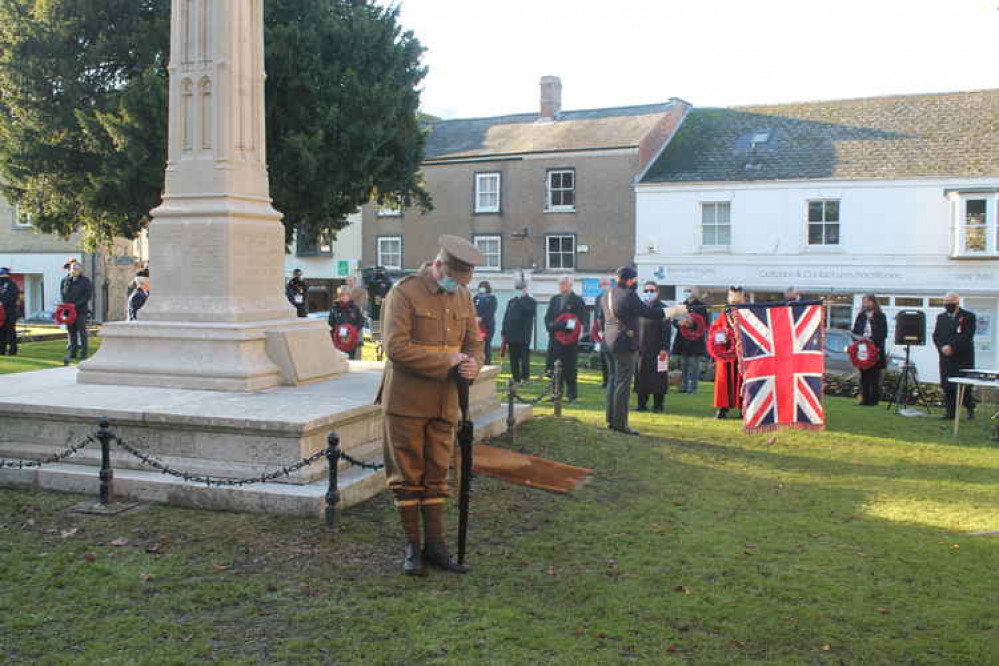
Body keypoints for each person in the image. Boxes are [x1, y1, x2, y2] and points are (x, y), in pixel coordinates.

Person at [378, 235, 484, 576]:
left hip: (445, 400)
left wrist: (473, 364)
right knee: (407, 474)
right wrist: (447, 360)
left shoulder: (463, 294)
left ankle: (436, 547)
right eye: (452, 279)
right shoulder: (404, 293)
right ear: (438, 266)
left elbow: (473, 341)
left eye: (461, 283)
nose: (456, 288)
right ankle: (413, 547)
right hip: (407, 400)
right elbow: (396, 348)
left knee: (438, 473)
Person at [602, 267, 681, 435]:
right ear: (630, 280)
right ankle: (620, 423)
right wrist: (675, 310)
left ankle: (611, 418)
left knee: (613, 380)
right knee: (623, 383)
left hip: (608, 341)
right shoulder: (629, 295)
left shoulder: (607, 294)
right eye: (635, 280)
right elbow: (649, 312)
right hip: (624, 343)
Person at [932, 292, 976, 420]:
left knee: (964, 387)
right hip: (946, 357)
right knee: (948, 386)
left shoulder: (968, 316)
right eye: (945, 302)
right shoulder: (941, 317)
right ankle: (950, 413)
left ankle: (969, 408)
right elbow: (936, 335)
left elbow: (967, 336)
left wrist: (952, 347)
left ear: (957, 302)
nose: (947, 304)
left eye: (950, 301)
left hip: (962, 357)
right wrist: (942, 348)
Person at [544, 276, 587, 403]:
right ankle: (556, 393)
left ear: (570, 285)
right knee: (554, 368)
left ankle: (572, 395)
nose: (561, 286)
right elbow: (547, 319)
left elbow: (576, 321)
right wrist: (552, 327)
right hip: (554, 341)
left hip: (569, 342)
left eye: (563, 283)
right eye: (560, 284)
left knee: (570, 368)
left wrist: (558, 326)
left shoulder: (577, 300)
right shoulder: (554, 300)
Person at [634, 281, 672, 413]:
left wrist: (664, 348)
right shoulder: (640, 308)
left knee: (659, 378)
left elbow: (667, 331)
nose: (649, 293)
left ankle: (658, 405)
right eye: (646, 290)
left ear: (657, 292)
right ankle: (641, 404)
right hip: (642, 350)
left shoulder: (663, 309)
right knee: (641, 377)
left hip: (658, 350)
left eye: (652, 290)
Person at [713, 286, 746, 419]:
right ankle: (722, 408)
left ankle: (743, 409)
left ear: (743, 297)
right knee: (723, 381)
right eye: (732, 295)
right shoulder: (724, 313)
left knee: (742, 381)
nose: (735, 298)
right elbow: (716, 330)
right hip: (726, 353)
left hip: (742, 353)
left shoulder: (748, 312)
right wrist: (722, 337)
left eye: (738, 295)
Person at [851, 293, 888, 406]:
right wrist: (857, 338)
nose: (865, 304)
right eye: (864, 302)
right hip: (862, 349)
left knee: (874, 376)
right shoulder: (861, 316)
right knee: (864, 376)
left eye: (868, 302)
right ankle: (865, 399)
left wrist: (871, 324)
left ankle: (874, 400)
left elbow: (883, 333)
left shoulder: (880, 316)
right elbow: (855, 330)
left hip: (875, 349)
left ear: (873, 302)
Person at [672, 289, 708, 394]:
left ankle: (693, 388)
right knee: (683, 365)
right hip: (683, 341)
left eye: (689, 291)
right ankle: (683, 386)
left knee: (694, 366)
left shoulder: (701, 306)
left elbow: (704, 323)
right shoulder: (681, 306)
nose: (687, 293)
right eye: (685, 291)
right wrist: (679, 323)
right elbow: (674, 321)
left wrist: (691, 323)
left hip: (695, 341)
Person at [502, 279, 536, 383]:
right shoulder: (511, 301)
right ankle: (516, 377)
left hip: (523, 334)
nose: (518, 291)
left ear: (525, 290)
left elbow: (529, 312)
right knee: (513, 358)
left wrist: (520, 300)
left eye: (520, 289)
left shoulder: (531, 302)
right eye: (517, 289)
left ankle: (525, 377)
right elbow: (507, 316)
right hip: (511, 335)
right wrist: (504, 330)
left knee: (524, 358)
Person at [60, 259, 92, 364]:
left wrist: (76, 304)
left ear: (80, 270)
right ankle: (72, 352)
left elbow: (87, 296)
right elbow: (63, 294)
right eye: (73, 269)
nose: (74, 271)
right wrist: (66, 305)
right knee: (71, 332)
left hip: (80, 311)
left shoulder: (85, 281)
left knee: (82, 332)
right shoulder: (65, 280)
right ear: (70, 270)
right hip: (68, 311)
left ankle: (83, 353)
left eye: (77, 269)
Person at [329, 286, 367, 360]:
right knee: (340, 359)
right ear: (339, 296)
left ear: (349, 296)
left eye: (346, 295)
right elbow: (330, 324)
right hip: (339, 339)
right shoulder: (335, 309)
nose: (344, 297)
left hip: (351, 338)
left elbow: (361, 321)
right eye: (342, 295)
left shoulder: (354, 308)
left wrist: (354, 329)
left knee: (351, 359)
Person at [592, 276, 613, 388]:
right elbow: (596, 316)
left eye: (604, 283)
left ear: (609, 283)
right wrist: (597, 330)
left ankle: (611, 380)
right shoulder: (598, 298)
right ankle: (605, 380)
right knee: (603, 358)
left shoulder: (614, 296)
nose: (602, 286)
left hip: (611, 331)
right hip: (601, 332)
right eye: (601, 284)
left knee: (611, 358)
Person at [473, 281, 498, 366]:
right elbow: (472, 308)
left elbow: (491, 312)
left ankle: (486, 363)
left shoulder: (492, 298)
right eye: (481, 286)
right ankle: (477, 362)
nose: (482, 288)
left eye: (483, 286)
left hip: (487, 326)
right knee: (477, 345)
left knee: (486, 345)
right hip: (476, 326)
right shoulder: (476, 298)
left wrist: (481, 318)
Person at [0, 267, 19, 356]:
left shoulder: (12, 285)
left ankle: (12, 350)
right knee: (2, 332)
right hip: (1, 313)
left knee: (10, 332)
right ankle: (2, 350)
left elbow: (13, 297)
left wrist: (2, 302)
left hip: (10, 312)